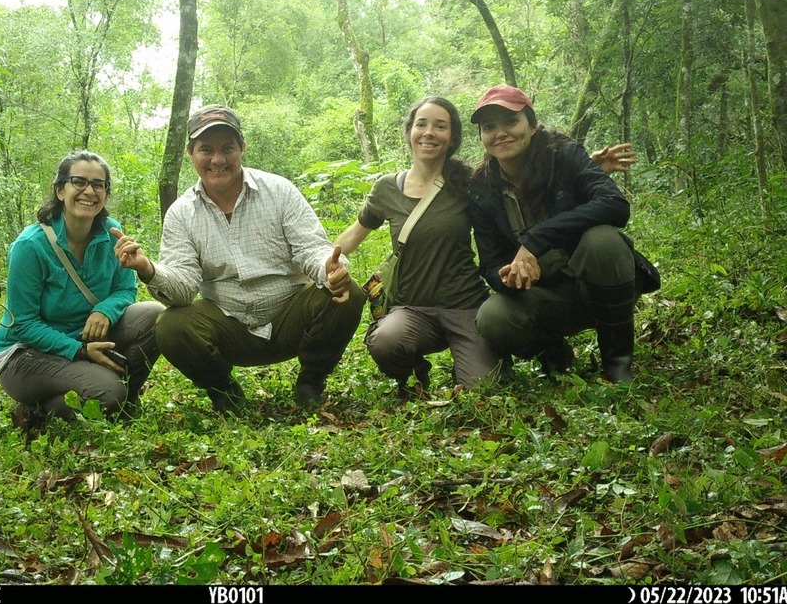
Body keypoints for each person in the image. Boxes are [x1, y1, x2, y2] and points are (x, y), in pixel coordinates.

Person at [112, 105, 366, 413]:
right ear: (190, 153)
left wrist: (330, 270)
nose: (218, 160)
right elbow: (182, 290)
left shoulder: (279, 191)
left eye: (227, 148)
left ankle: (311, 381)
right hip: (227, 323)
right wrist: (148, 269)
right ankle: (224, 392)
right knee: (171, 326)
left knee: (347, 291)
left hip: (289, 315)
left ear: (242, 148)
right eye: (206, 149)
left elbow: (311, 248)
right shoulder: (182, 213)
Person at [466, 85, 659, 383]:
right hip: (547, 298)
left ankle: (617, 364)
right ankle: (554, 353)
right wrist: (510, 278)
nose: (500, 133)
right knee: (492, 318)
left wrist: (533, 240)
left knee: (603, 240)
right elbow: (490, 262)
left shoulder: (564, 154)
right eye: (489, 126)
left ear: (531, 125)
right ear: (481, 137)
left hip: (600, 284)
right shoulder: (481, 188)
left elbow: (615, 205)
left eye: (511, 121)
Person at [334, 97, 504, 400]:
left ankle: (469, 361)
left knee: (485, 391)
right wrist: (326, 262)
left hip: (466, 307)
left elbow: (516, 195)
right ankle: (415, 371)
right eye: (421, 124)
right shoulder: (387, 188)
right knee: (386, 341)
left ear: (451, 137)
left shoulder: (469, 183)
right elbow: (355, 233)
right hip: (412, 310)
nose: (429, 133)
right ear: (410, 131)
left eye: (440, 126)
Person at [0, 151, 164, 424]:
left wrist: (105, 310)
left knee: (155, 315)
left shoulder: (111, 233)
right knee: (108, 391)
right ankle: (41, 410)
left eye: (99, 184)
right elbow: (22, 324)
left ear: (106, 194)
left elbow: (125, 289)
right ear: (61, 190)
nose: (89, 191)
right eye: (79, 182)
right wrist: (80, 351)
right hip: (25, 355)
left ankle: (119, 397)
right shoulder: (30, 246)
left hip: (84, 336)